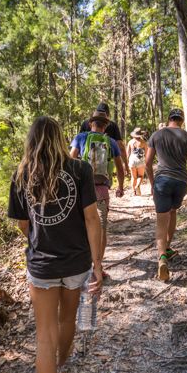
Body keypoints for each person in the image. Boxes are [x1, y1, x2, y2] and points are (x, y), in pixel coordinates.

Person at [8, 116, 104, 373]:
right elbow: (92, 219)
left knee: (44, 338)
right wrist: (99, 264)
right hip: (77, 262)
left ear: (31, 140)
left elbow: (24, 225)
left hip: (42, 266)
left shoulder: (21, 175)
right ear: (60, 137)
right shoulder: (80, 171)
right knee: (68, 320)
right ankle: (60, 364)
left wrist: (41, 237)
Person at [145, 108, 187, 282]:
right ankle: (168, 247)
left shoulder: (157, 135)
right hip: (181, 181)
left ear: (169, 119)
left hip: (163, 180)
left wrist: (153, 184)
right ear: (181, 121)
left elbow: (147, 163)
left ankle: (162, 257)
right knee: (173, 211)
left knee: (162, 218)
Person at [70, 113, 125, 277]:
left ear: (90, 123)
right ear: (106, 126)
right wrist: (120, 187)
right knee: (100, 229)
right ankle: (98, 267)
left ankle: (81, 267)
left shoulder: (80, 137)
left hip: (81, 191)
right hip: (101, 190)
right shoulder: (111, 142)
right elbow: (120, 168)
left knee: (81, 227)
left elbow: (69, 160)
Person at [79, 102, 128, 173]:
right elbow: (120, 146)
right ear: (107, 115)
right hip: (104, 170)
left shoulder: (86, 123)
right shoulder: (112, 125)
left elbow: (77, 147)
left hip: (85, 168)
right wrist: (126, 165)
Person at [126, 128, 149, 196]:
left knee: (133, 177)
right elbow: (147, 153)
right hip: (140, 160)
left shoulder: (130, 142)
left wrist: (127, 162)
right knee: (140, 176)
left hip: (132, 160)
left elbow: (128, 153)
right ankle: (137, 186)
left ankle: (133, 192)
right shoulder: (144, 142)